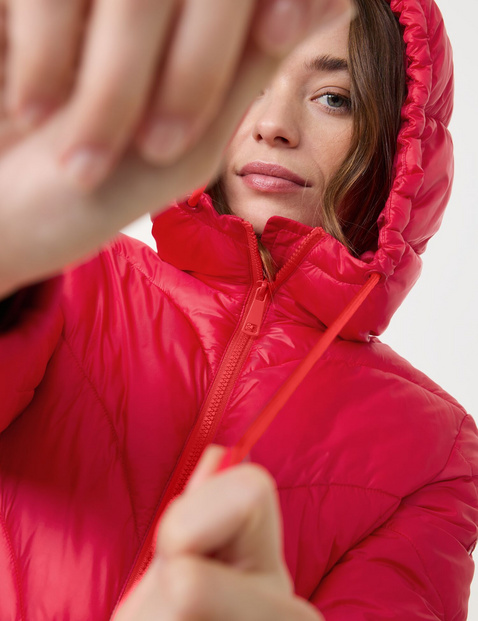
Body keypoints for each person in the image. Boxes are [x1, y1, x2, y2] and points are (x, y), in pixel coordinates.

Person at [0, 0, 476, 619]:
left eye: (334, 97)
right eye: (248, 84)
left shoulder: (436, 451)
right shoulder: (68, 272)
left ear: (400, 141)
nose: (274, 124)